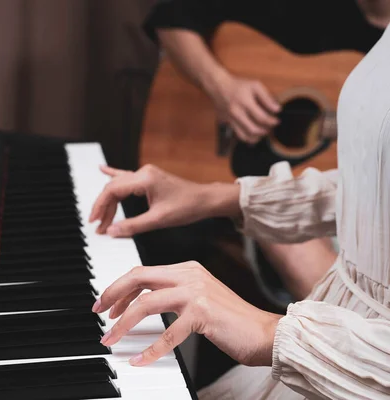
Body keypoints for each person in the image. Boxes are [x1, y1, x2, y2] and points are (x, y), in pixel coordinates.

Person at [89, 18, 390, 400]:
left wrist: (266, 331)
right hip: (334, 328)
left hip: (350, 362)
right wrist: (218, 197)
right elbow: (367, 185)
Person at [138, 0, 387, 305]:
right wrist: (223, 88)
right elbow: (172, 16)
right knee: (287, 229)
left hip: (366, 212)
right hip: (268, 184)